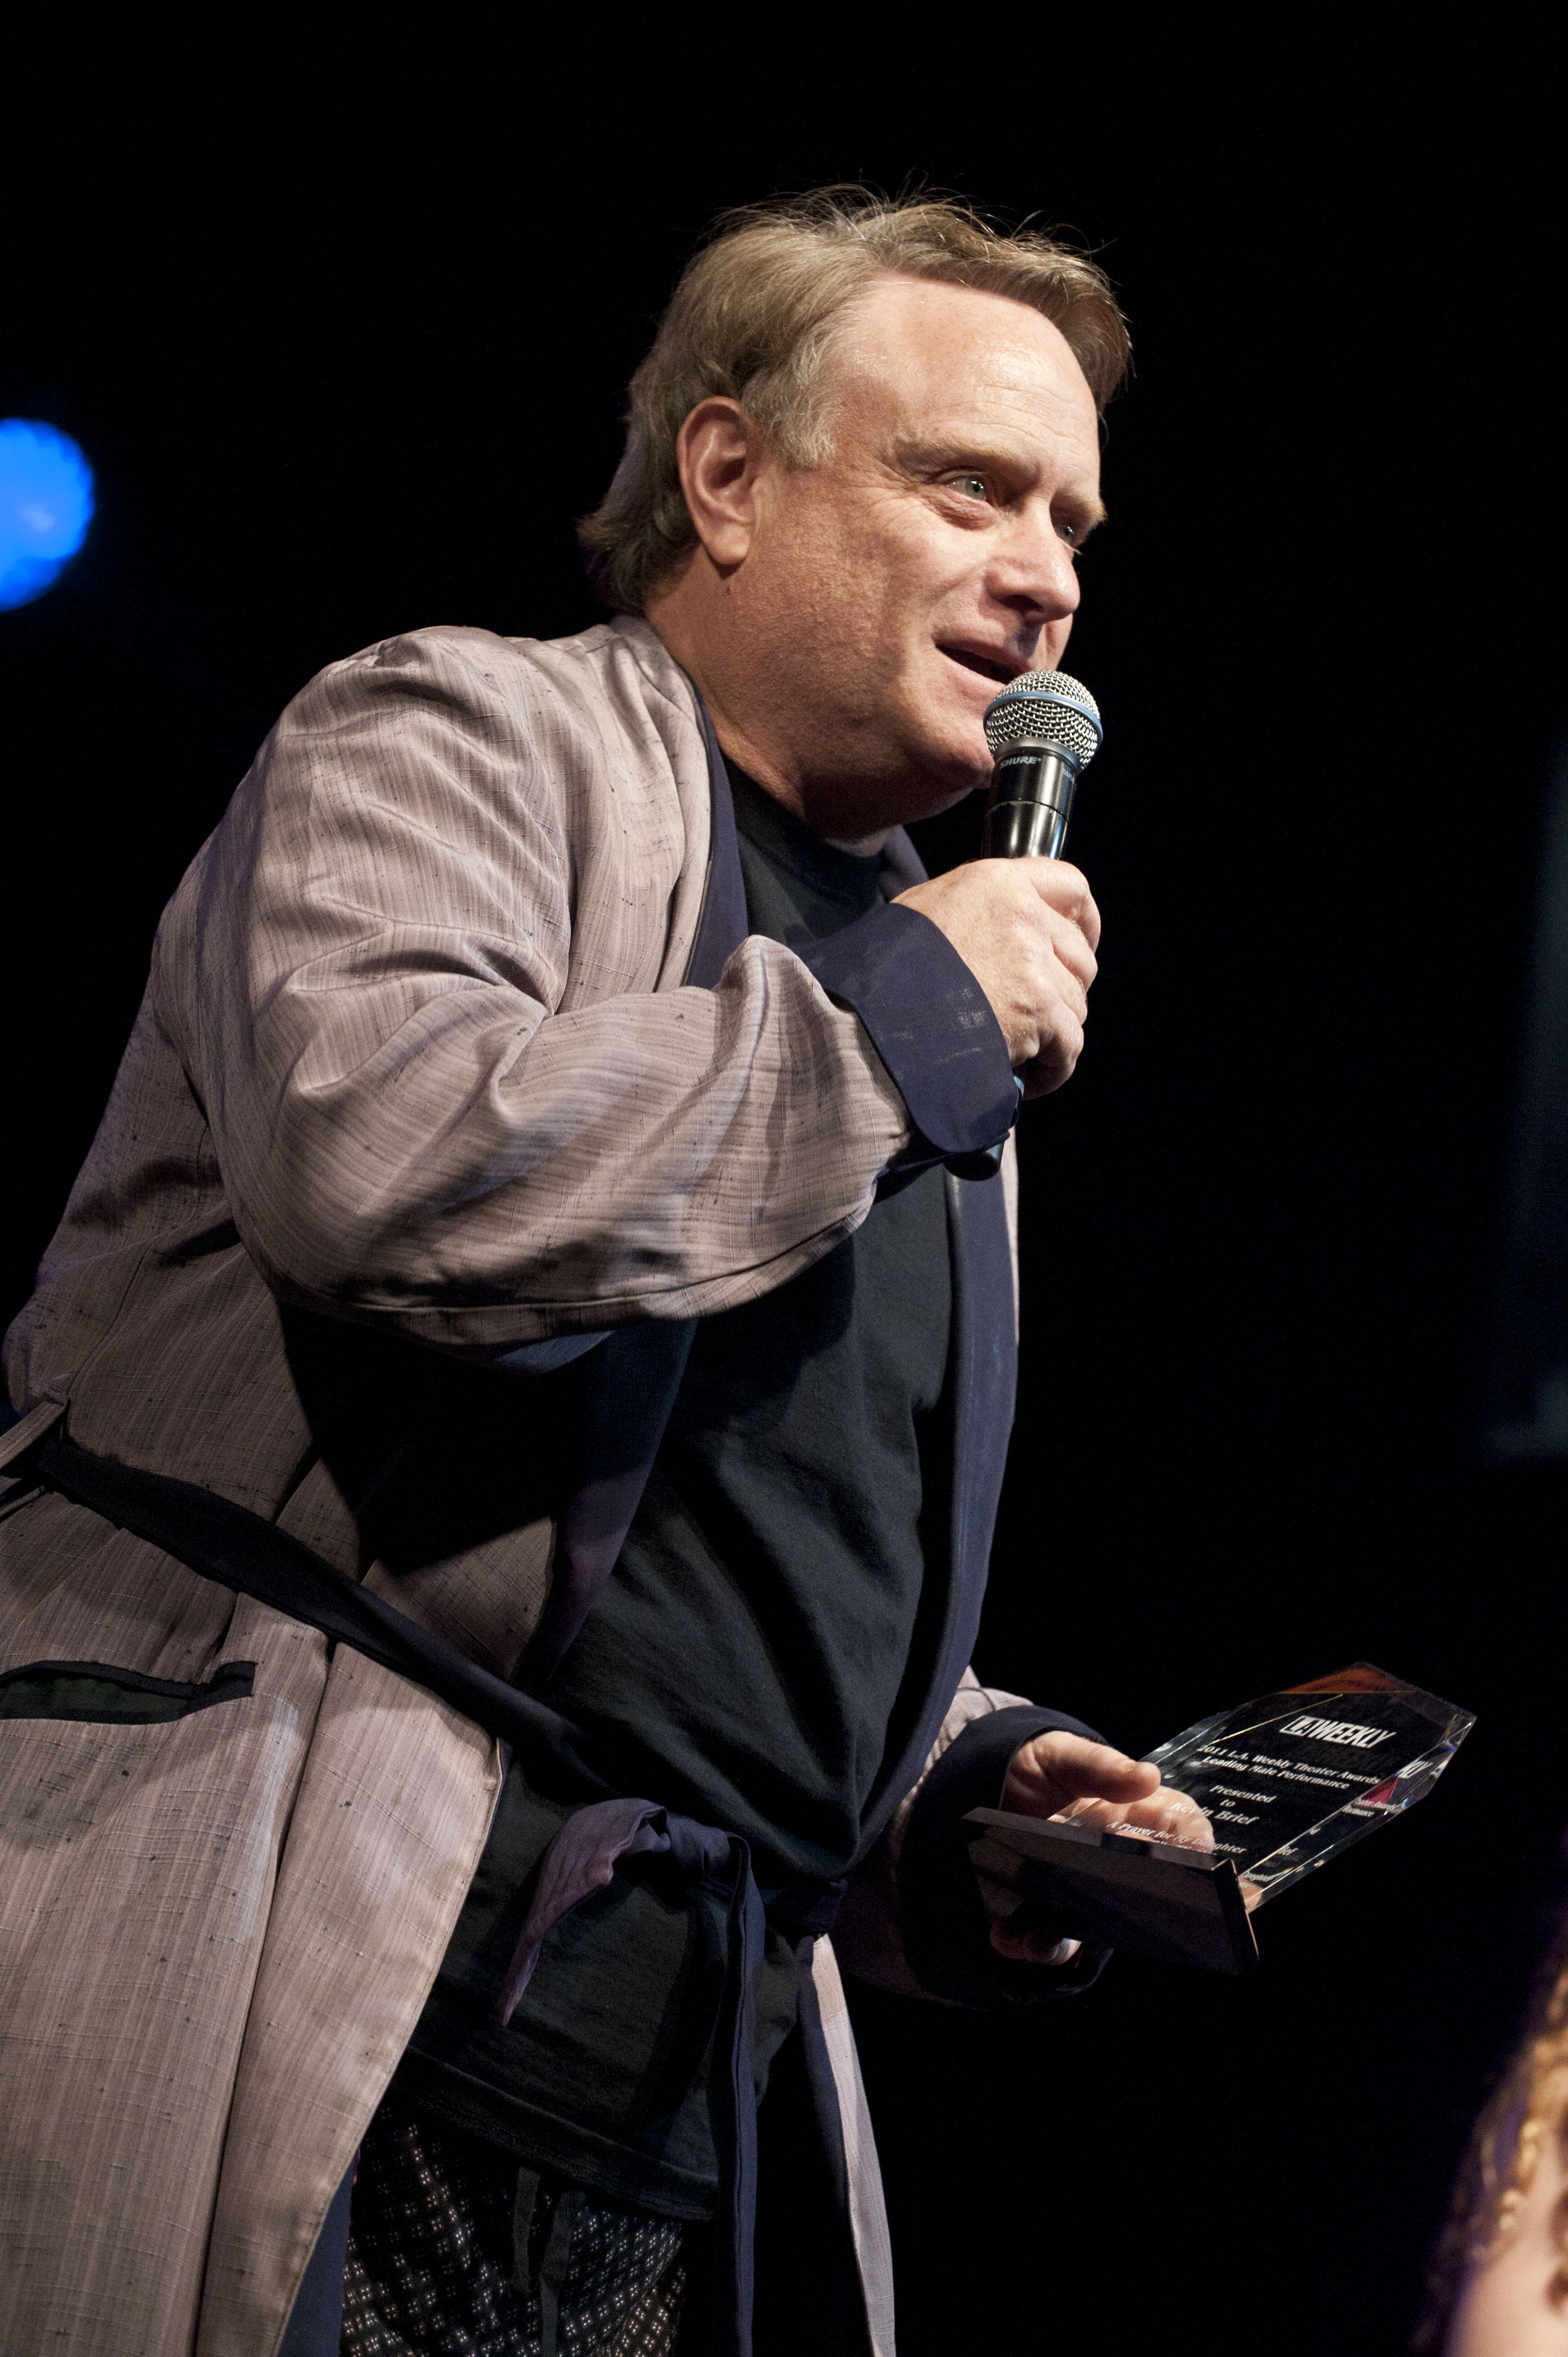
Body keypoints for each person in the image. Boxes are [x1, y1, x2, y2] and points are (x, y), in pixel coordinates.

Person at [0, 189, 1210, 2357]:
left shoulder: (920, 959)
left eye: (1074, 525)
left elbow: (731, 1552)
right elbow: (388, 1164)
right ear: (726, 477)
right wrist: (902, 1027)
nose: (1047, 577)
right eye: (972, 488)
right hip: (299, 1945)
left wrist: (954, 1787)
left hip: (666, 2112)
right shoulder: (452, 730)